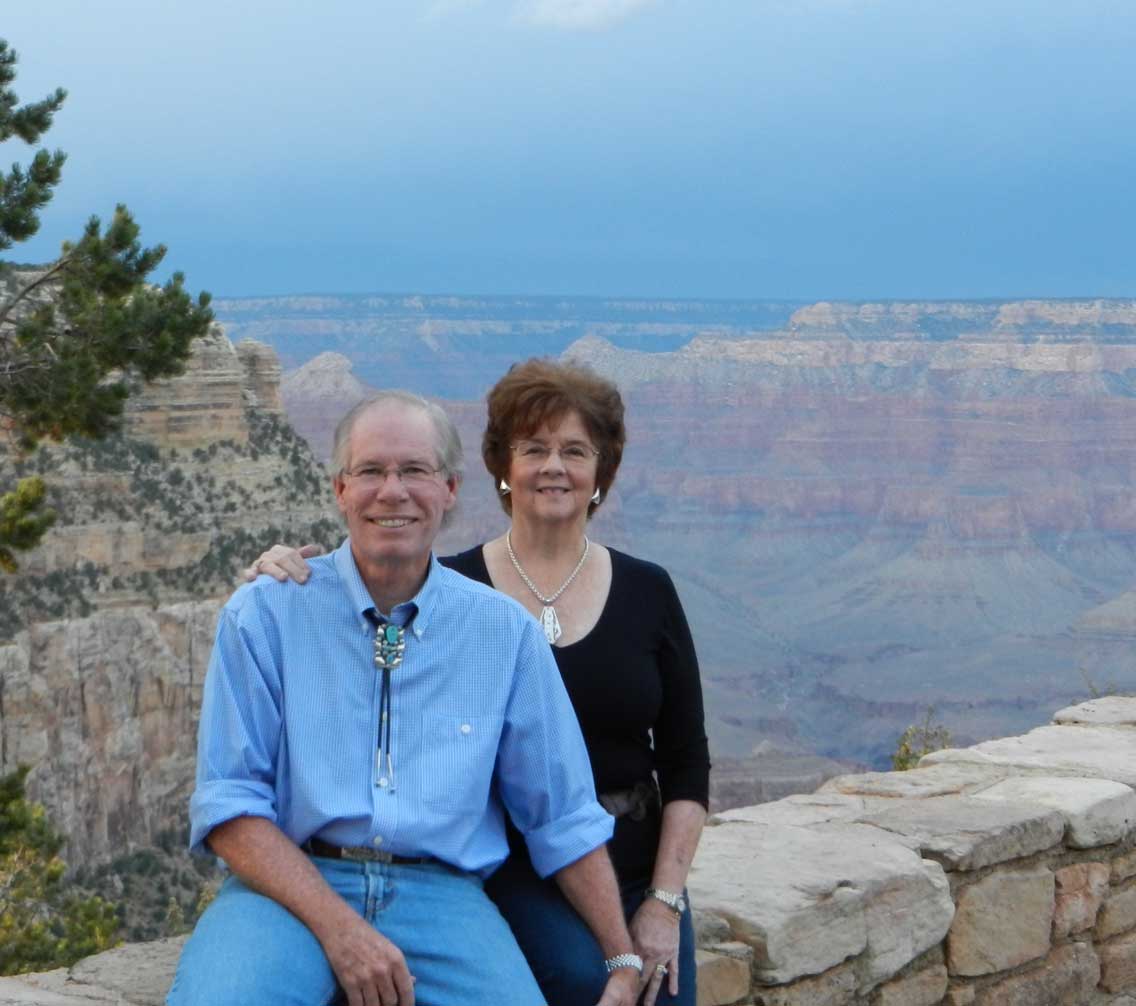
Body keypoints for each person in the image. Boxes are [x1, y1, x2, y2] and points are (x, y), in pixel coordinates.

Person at [250, 360, 710, 1006]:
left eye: (575, 451)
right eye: (534, 450)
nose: (554, 467)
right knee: (585, 982)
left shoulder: (648, 591)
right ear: (502, 468)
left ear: (600, 473)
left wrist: (663, 902)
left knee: (661, 990)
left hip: (634, 861)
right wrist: (274, 570)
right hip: (517, 867)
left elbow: (687, 762)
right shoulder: (456, 593)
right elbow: (366, 578)